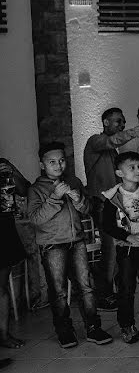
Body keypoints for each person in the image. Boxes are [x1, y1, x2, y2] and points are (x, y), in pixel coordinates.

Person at [28, 142, 113, 348]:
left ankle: (93, 327)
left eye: (61, 160)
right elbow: (36, 219)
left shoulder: (73, 181)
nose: (58, 165)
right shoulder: (35, 189)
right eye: (52, 162)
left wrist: (79, 200)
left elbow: (86, 209)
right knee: (58, 291)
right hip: (52, 246)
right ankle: (65, 331)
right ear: (42, 165)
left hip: (77, 242)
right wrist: (55, 197)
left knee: (86, 287)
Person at [83, 107, 139, 310]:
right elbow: (114, 140)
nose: (122, 125)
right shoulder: (95, 141)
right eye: (118, 121)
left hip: (117, 203)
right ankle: (104, 296)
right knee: (109, 250)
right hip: (102, 203)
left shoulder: (112, 150)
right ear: (106, 122)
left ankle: (118, 291)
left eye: (123, 122)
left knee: (118, 248)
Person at [103, 151, 139, 344]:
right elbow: (107, 225)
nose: (138, 171)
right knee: (126, 287)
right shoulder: (114, 197)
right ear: (120, 173)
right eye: (132, 167)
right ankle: (127, 325)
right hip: (126, 249)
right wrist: (127, 236)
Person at [0, 157, 29, 350]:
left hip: (3, 230)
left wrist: (12, 171)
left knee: (0, 288)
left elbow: (25, 189)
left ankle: (3, 334)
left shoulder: (3, 165)